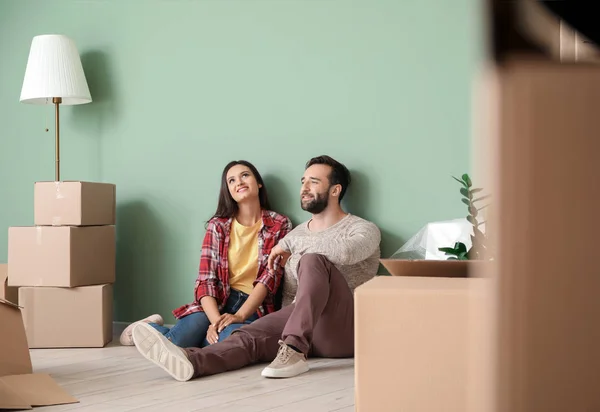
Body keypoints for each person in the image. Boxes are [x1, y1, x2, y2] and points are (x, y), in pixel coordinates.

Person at [131, 155, 381, 381]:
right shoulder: (293, 235)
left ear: (335, 190)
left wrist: (289, 246)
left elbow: (345, 252)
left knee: (313, 260)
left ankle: (294, 351)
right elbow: (289, 296)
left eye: (313, 182)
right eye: (303, 181)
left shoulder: (362, 229)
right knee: (246, 336)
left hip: (342, 329)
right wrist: (287, 243)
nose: (304, 188)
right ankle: (192, 362)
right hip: (299, 323)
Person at [119, 160, 292, 348]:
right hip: (218, 300)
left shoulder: (280, 224)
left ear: (258, 183)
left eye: (245, 175)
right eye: (231, 180)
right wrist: (216, 321)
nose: (239, 182)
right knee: (179, 340)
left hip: (254, 307)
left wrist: (240, 315)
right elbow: (205, 280)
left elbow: (270, 278)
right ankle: (148, 328)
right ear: (228, 191)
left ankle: (180, 343)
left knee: (226, 341)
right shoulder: (218, 226)